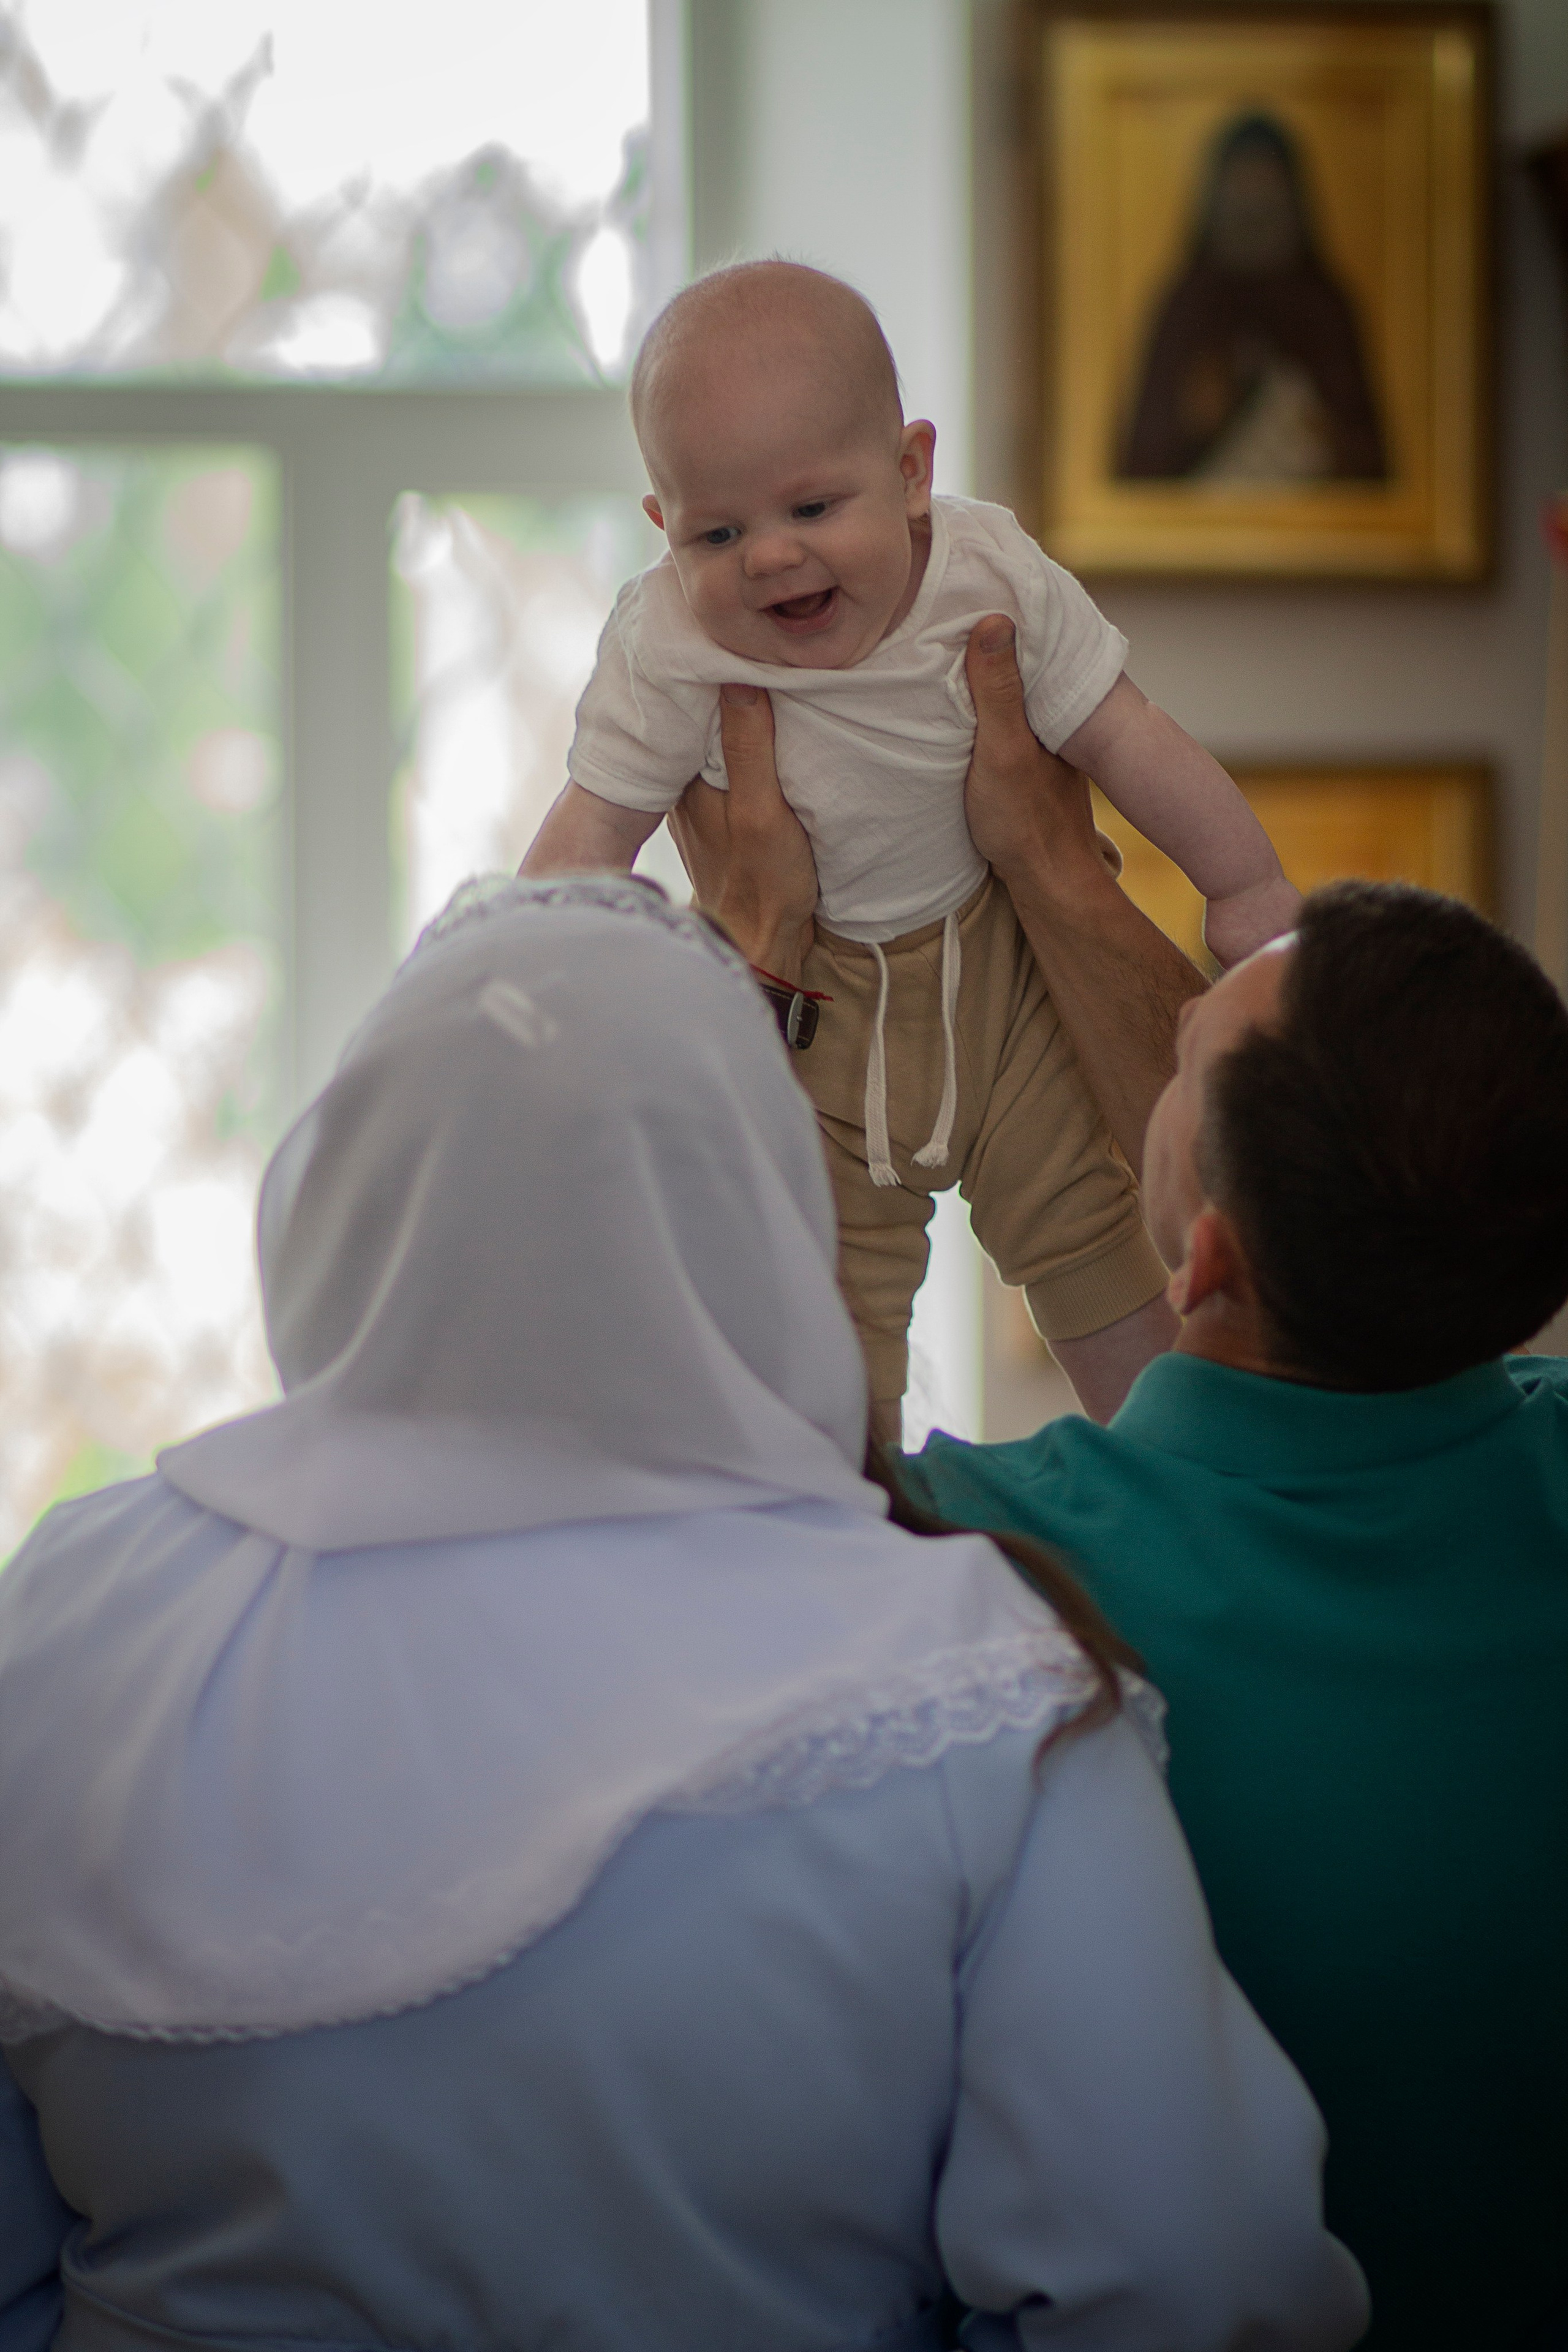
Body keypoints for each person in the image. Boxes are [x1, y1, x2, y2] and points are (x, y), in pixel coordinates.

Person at [0, 871, 1368, 2352]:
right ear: (761, 1213)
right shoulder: (966, 1685)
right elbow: (1182, 2285)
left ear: (337, 1192)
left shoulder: (69, 1627)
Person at [679, 632, 1568, 2352]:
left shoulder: (983, 1567)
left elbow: (701, 1445)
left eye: (1181, 1071)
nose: (1159, 1045)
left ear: (1208, 1254)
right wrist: (1053, 864)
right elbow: (1304, 1148)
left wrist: (757, 950)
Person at [524, 260, 1298, 1438]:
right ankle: (856, 1501)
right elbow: (592, 829)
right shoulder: (667, 641)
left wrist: (1243, 882)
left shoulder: (988, 577)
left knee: (1087, 1229)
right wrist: (526, 976)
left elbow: (1127, 735)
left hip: (1004, 974)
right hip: (811, 1014)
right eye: (717, 531)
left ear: (910, 472)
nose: (769, 557)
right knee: (824, 1296)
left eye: (812, 509)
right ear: (660, 527)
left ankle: (1164, 1462)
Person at [1120, 113, 1387, 484]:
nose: (1253, 209)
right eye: (1241, 191)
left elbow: (1367, 457)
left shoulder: (1324, 306)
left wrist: (1325, 436)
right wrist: (1191, 418)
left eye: (1266, 191)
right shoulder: (1186, 304)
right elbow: (1140, 464)